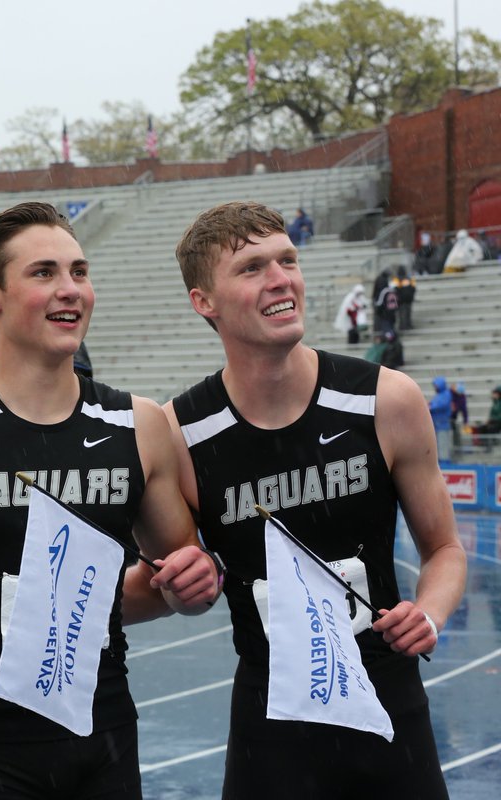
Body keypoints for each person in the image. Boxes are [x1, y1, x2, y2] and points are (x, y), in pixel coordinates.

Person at [0, 202, 220, 799]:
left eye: (79, 271)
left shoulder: (138, 424)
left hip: (105, 734)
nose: (71, 290)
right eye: (44, 273)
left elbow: (174, 587)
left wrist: (190, 584)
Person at [165, 201, 465, 800]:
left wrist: (428, 613)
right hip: (270, 721)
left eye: (288, 259)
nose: (281, 279)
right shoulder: (180, 433)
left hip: (388, 702)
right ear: (205, 302)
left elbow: (446, 550)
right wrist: (181, 586)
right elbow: (180, 584)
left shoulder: (386, 400)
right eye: (252, 268)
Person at [428, 375, 453, 462]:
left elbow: (441, 405)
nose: (435, 387)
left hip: (443, 425)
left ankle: (445, 462)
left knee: (443, 445)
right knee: (437, 445)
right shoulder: (438, 395)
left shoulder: (446, 394)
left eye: (436, 385)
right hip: (436, 425)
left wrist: (430, 407)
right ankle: (440, 462)